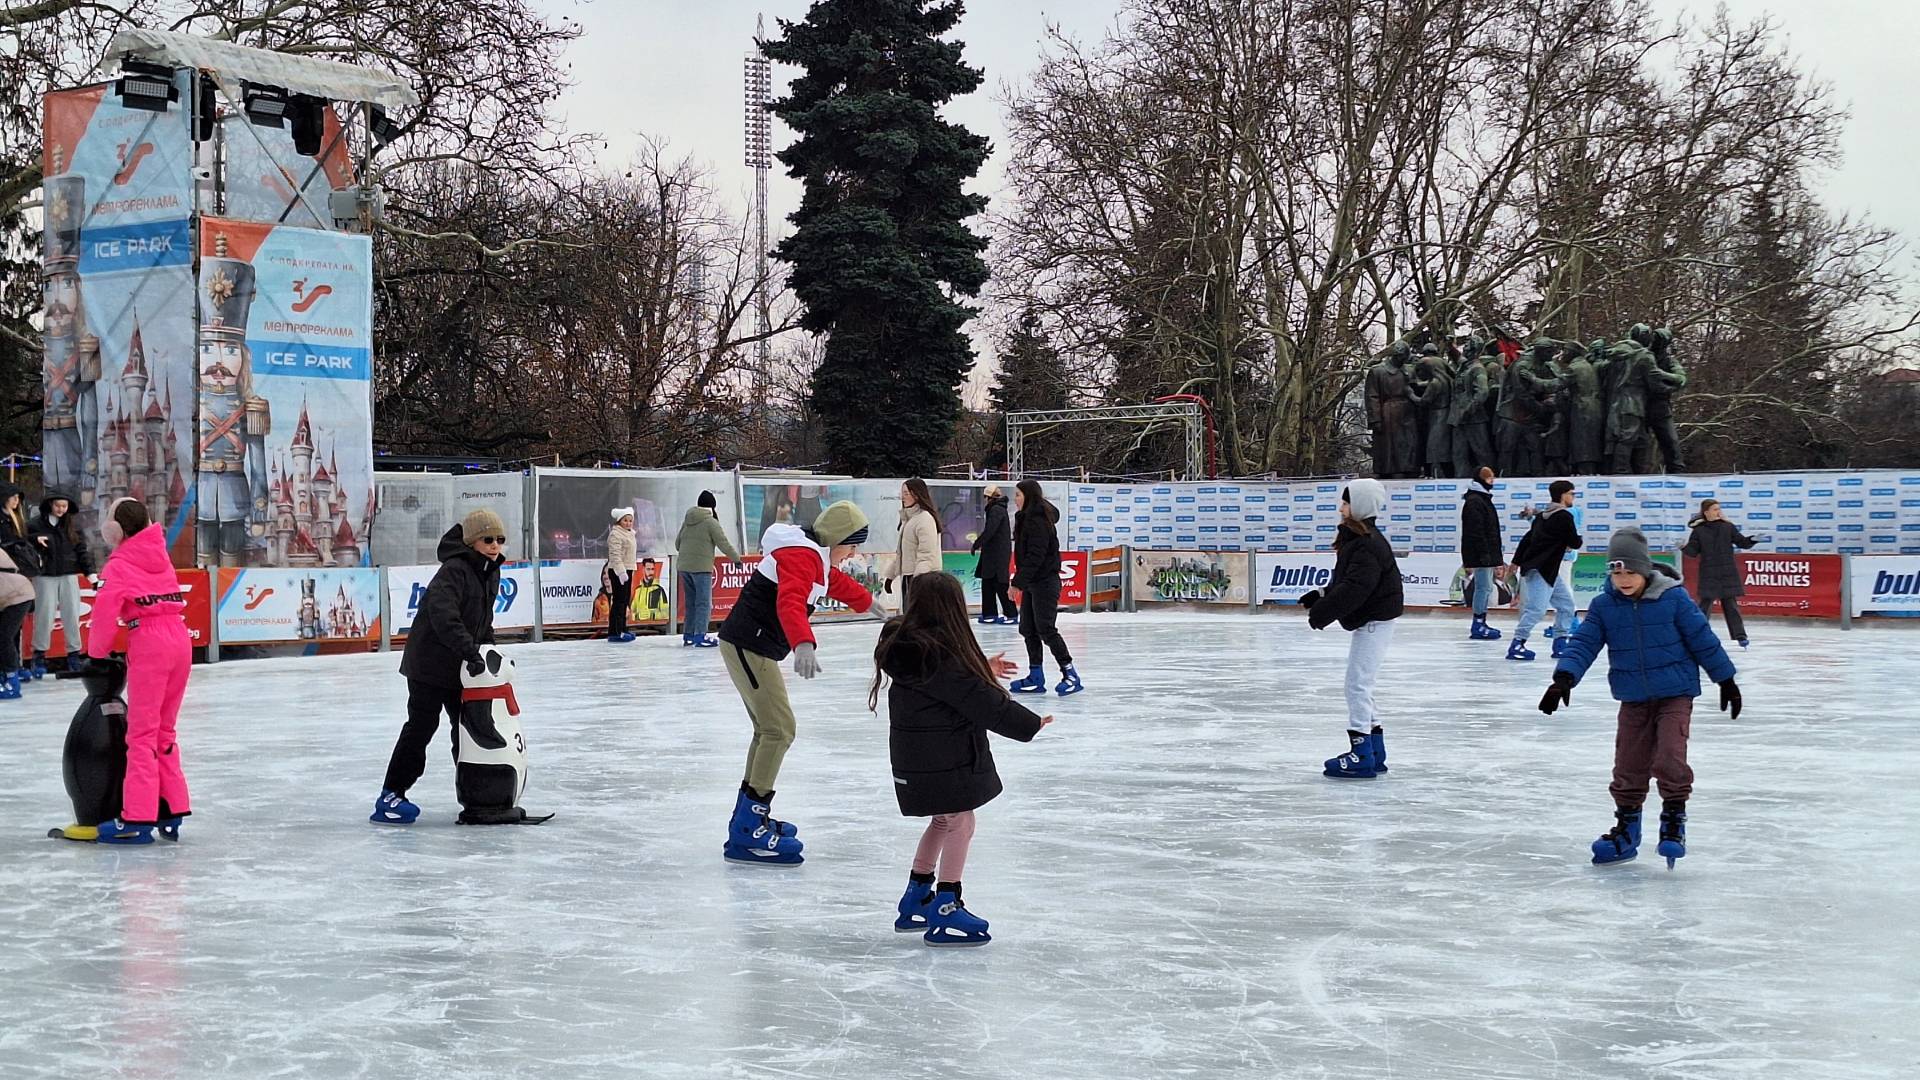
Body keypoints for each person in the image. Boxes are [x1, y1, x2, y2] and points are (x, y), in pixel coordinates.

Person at [1539, 527, 1741, 868]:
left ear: (1645, 569)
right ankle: (1627, 831)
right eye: (1616, 572)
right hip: (1633, 697)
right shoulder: (1604, 606)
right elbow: (1584, 643)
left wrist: (1726, 679)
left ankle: (1674, 820)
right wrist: (1563, 679)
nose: (1623, 579)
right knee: (1628, 765)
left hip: (1675, 694)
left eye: (1630, 571)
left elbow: (1702, 639)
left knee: (1670, 757)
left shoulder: (1673, 598)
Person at [871, 572, 1051, 946]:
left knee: (943, 821)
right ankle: (947, 903)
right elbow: (982, 702)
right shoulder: (941, 657)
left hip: (916, 763)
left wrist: (984, 667)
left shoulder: (910, 649)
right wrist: (1030, 723)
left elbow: (948, 684)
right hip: (945, 763)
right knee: (961, 823)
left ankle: (916, 896)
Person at [716, 500, 876, 864]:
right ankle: (747, 829)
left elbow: (837, 584)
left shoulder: (813, 558)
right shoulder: (802, 558)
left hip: (749, 643)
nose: (853, 554)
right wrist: (803, 642)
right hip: (749, 643)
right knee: (779, 730)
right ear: (837, 539)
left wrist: (872, 605)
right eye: (852, 545)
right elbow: (789, 601)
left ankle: (748, 818)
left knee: (768, 730)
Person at [372, 510, 506, 825]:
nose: (494, 546)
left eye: (499, 540)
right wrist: (471, 651)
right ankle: (391, 794)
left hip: (461, 668)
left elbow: (483, 621)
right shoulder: (454, 571)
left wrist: (488, 653)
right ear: (472, 541)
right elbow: (444, 618)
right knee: (420, 729)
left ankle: (477, 794)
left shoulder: (490, 571)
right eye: (487, 539)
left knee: (469, 731)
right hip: (429, 666)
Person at [85, 498, 193, 844]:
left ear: (114, 530)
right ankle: (172, 807)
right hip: (180, 637)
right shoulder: (159, 554)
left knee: (142, 734)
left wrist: (96, 653)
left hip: (149, 641)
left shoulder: (119, 563)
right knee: (165, 730)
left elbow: (104, 614)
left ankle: (137, 817)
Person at [1299, 479, 1404, 779]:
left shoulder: (1367, 543)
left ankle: (1361, 754)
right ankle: (1374, 751)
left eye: (1345, 503)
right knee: (1361, 683)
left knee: (1357, 685)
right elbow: (1344, 581)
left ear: (1358, 507)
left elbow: (1356, 588)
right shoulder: (1357, 540)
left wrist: (1322, 614)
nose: (1341, 508)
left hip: (1375, 620)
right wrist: (1320, 595)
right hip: (1373, 619)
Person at [1007, 480, 1081, 696]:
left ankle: (1070, 673)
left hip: (1045, 582)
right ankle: (1036, 674)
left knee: (1046, 629)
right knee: (1028, 629)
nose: (1016, 499)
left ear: (1029, 496)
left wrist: (1017, 582)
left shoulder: (1037, 520)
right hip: (1033, 582)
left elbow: (1036, 555)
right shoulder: (1025, 518)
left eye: (1019, 495)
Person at [1507, 479, 1582, 662]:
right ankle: (1517, 643)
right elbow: (1574, 542)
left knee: (1566, 606)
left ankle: (1560, 642)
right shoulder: (1564, 516)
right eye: (1572, 494)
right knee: (1536, 610)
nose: (1573, 497)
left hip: (1544, 569)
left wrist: (1516, 561)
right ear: (1563, 495)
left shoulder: (1542, 516)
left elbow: (1527, 539)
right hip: (1540, 569)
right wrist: (1573, 542)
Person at [1682, 498, 1761, 648]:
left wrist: (1753, 539)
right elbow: (1692, 552)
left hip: (1727, 572)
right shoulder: (1699, 531)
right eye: (1715, 509)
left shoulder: (1727, 527)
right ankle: (1696, 634)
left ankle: (1740, 636)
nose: (1719, 512)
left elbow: (1742, 542)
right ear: (1706, 512)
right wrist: (1683, 546)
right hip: (1709, 573)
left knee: (1731, 606)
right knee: (1704, 606)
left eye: (1719, 509)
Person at [27, 490, 91, 675]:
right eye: (58, 505)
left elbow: (81, 550)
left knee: (72, 614)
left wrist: (90, 573)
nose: (61, 509)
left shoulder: (73, 526)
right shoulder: (34, 525)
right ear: (50, 505)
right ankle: (39, 655)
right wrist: (34, 539)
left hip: (68, 575)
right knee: (44, 616)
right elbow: (20, 540)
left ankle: (74, 654)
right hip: (45, 576)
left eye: (64, 506)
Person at [676, 490, 740, 646]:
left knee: (691, 603)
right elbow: (723, 543)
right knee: (703, 603)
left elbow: (678, 544)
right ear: (712, 506)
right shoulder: (711, 522)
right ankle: (700, 636)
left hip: (684, 567)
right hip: (701, 568)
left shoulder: (687, 520)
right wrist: (736, 559)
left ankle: (689, 634)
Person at [1459, 467, 1504, 641]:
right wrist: (1484, 553)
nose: (1492, 481)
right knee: (1484, 587)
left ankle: (1480, 621)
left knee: (1485, 587)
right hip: (1481, 552)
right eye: (1489, 478)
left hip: (1486, 551)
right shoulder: (1475, 501)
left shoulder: (1482, 498)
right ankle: (1478, 623)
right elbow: (1476, 531)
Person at [971, 484, 1016, 625]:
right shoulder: (996, 509)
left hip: (997, 554)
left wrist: (977, 543)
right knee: (988, 582)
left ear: (989, 497)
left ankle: (1011, 614)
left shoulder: (996, 510)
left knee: (999, 583)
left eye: (985, 497)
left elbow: (991, 530)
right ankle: (989, 613)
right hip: (993, 553)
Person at [896, 478, 942, 610]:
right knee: (909, 615)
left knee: (919, 616)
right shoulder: (909, 519)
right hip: (909, 576)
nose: (902, 497)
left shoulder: (925, 519)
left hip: (923, 578)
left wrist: (918, 579)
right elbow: (903, 552)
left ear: (916, 495)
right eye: (902, 493)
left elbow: (926, 554)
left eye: (906, 493)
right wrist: (891, 575)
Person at [0, 545, 32, 701]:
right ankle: (11, 673)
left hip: (17, 595)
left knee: (4, 637)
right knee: (6, 637)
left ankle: (12, 680)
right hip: (11, 594)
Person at [605, 508, 637, 643]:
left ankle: (623, 628)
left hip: (628, 569)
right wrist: (621, 572)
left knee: (624, 601)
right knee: (618, 601)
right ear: (619, 521)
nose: (628, 523)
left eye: (630, 521)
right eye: (625, 520)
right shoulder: (616, 534)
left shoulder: (630, 534)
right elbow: (615, 555)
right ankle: (615, 631)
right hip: (618, 570)